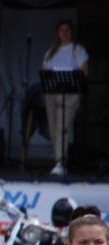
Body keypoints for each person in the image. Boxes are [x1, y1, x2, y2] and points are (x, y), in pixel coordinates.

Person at [42, 20, 89, 177]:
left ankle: (60, 161)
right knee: (53, 126)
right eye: (61, 30)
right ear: (57, 33)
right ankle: (59, 155)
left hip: (70, 93)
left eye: (67, 30)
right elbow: (44, 70)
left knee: (63, 126)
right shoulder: (51, 51)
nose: (64, 33)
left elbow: (84, 72)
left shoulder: (78, 50)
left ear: (71, 32)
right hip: (52, 92)